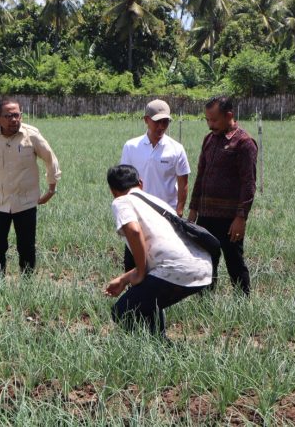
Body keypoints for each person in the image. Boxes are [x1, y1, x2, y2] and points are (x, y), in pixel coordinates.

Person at [104, 164, 212, 337]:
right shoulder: (157, 202)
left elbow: (133, 230)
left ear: (113, 191)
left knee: (122, 311)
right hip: (202, 267)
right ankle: (160, 344)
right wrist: (125, 279)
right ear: (140, 183)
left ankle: (146, 352)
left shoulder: (121, 201)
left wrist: (139, 271)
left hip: (175, 269)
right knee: (148, 304)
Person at [0, 99, 61, 277]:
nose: (14, 120)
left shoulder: (31, 135)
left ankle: (27, 287)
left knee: (26, 247)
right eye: (8, 116)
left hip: (26, 202)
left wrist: (51, 189)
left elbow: (51, 159)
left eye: (17, 115)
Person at [188, 96, 258, 296]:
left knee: (234, 261)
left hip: (230, 219)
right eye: (207, 120)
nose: (210, 125)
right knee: (206, 261)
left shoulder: (244, 143)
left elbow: (248, 183)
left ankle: (242, 303)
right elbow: (200, 176)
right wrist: (193, 211)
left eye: (214, 120)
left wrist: (240, 218)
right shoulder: (209, 140)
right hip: (206, 215)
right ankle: (205, 304)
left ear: (229, 115)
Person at [120, 99, 191, 272]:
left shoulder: (176, 149)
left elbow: (183, 183)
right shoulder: (131, 146)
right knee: (133, 260)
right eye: (157, 122)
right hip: (137, 213)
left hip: (166, 215)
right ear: (146, 120)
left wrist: (179, 211)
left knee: (163, 262)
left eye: (165, 122)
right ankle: (133, 297)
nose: (161, 126)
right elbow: (124, 180)